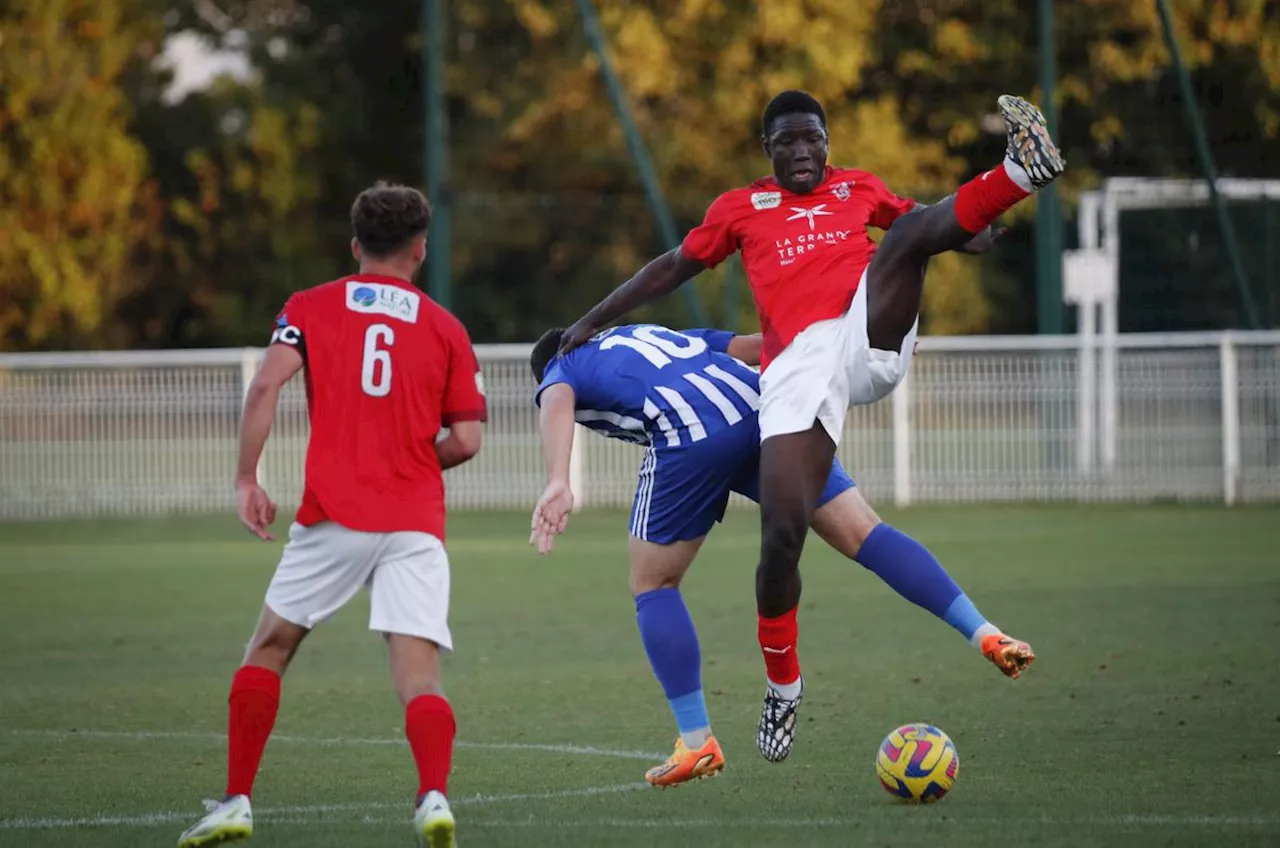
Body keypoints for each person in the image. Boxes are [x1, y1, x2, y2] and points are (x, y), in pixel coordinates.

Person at [556, 93, 1058, 763]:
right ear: (769, 150)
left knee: (908, 235)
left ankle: (1021, 173)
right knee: (783, 539)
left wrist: (980, 226)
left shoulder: (859, 187)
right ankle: (783, 688)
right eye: (787, 142)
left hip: (863, 337)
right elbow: (673, 266)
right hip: (794, 374)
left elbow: (930, 228)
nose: (802, 151)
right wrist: (592, 319)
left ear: (828, 141)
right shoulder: (739, 208)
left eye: (812, 139)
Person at [528, 323, 1034, 784]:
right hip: (767, 409)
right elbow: (760, 345)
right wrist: (859, 346)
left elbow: (555, 397)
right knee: (866, 532)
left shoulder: (562, 363)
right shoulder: (650, 334)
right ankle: (987, 634)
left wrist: (557, 479)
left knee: (653, 585)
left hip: (692, 432)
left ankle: (696, 741)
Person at [177, 183, 486, 848]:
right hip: (413, 523)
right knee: (418, 675)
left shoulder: (309, 307)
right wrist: (410, 458)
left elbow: (265, 385)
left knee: (268, 649)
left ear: (355, 246)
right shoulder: (446, 328)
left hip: (333, 517)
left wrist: (246, 478)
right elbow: (465, 439)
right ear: (420, 249)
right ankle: (433, 795)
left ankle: (235, 802)